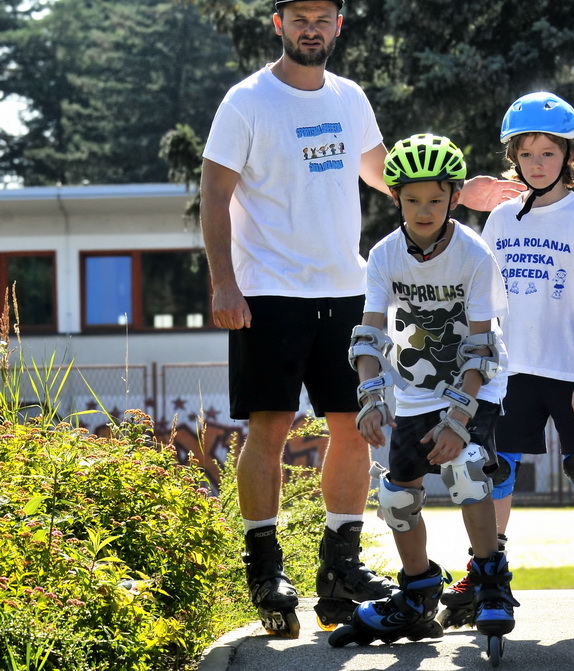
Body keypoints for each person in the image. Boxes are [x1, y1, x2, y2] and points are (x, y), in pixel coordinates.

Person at [199, 0, 398, 638]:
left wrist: (454, 186)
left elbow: (382, 171)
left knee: (354, 426)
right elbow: (214, 192)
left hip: (346, 288)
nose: (311, 29)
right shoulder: (247, 101)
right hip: (268, 292)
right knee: (271, 427)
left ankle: (340, 569)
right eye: (299, 17)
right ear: (278, 24)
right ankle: (265, 569)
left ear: (337, 26)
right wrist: (224, 282)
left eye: (323, 18)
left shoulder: (350, 98)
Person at [327, 134, 516, 655]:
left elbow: (480, 346)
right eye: (413, 200)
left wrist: (458, 418)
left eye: (436, 199)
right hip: (413, 387)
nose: (424, 210)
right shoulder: (385, 255)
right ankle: (416, 593)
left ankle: (490, 581)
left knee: (468, 467)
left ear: (454, 197)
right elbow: (368, 334)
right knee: (395, 494)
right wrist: (369, 395)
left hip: (472, 385)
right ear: (396, 199)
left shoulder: (474, 254)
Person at [478, 91, 574, 632]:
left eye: (548, 153)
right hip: (512, 370)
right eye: (527, 153)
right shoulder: (498, 220)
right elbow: (485, 301)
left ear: (568, 155)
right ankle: (490, 565)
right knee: (500, 469)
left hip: (568, 371)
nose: (537, 164)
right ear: (514, 156)